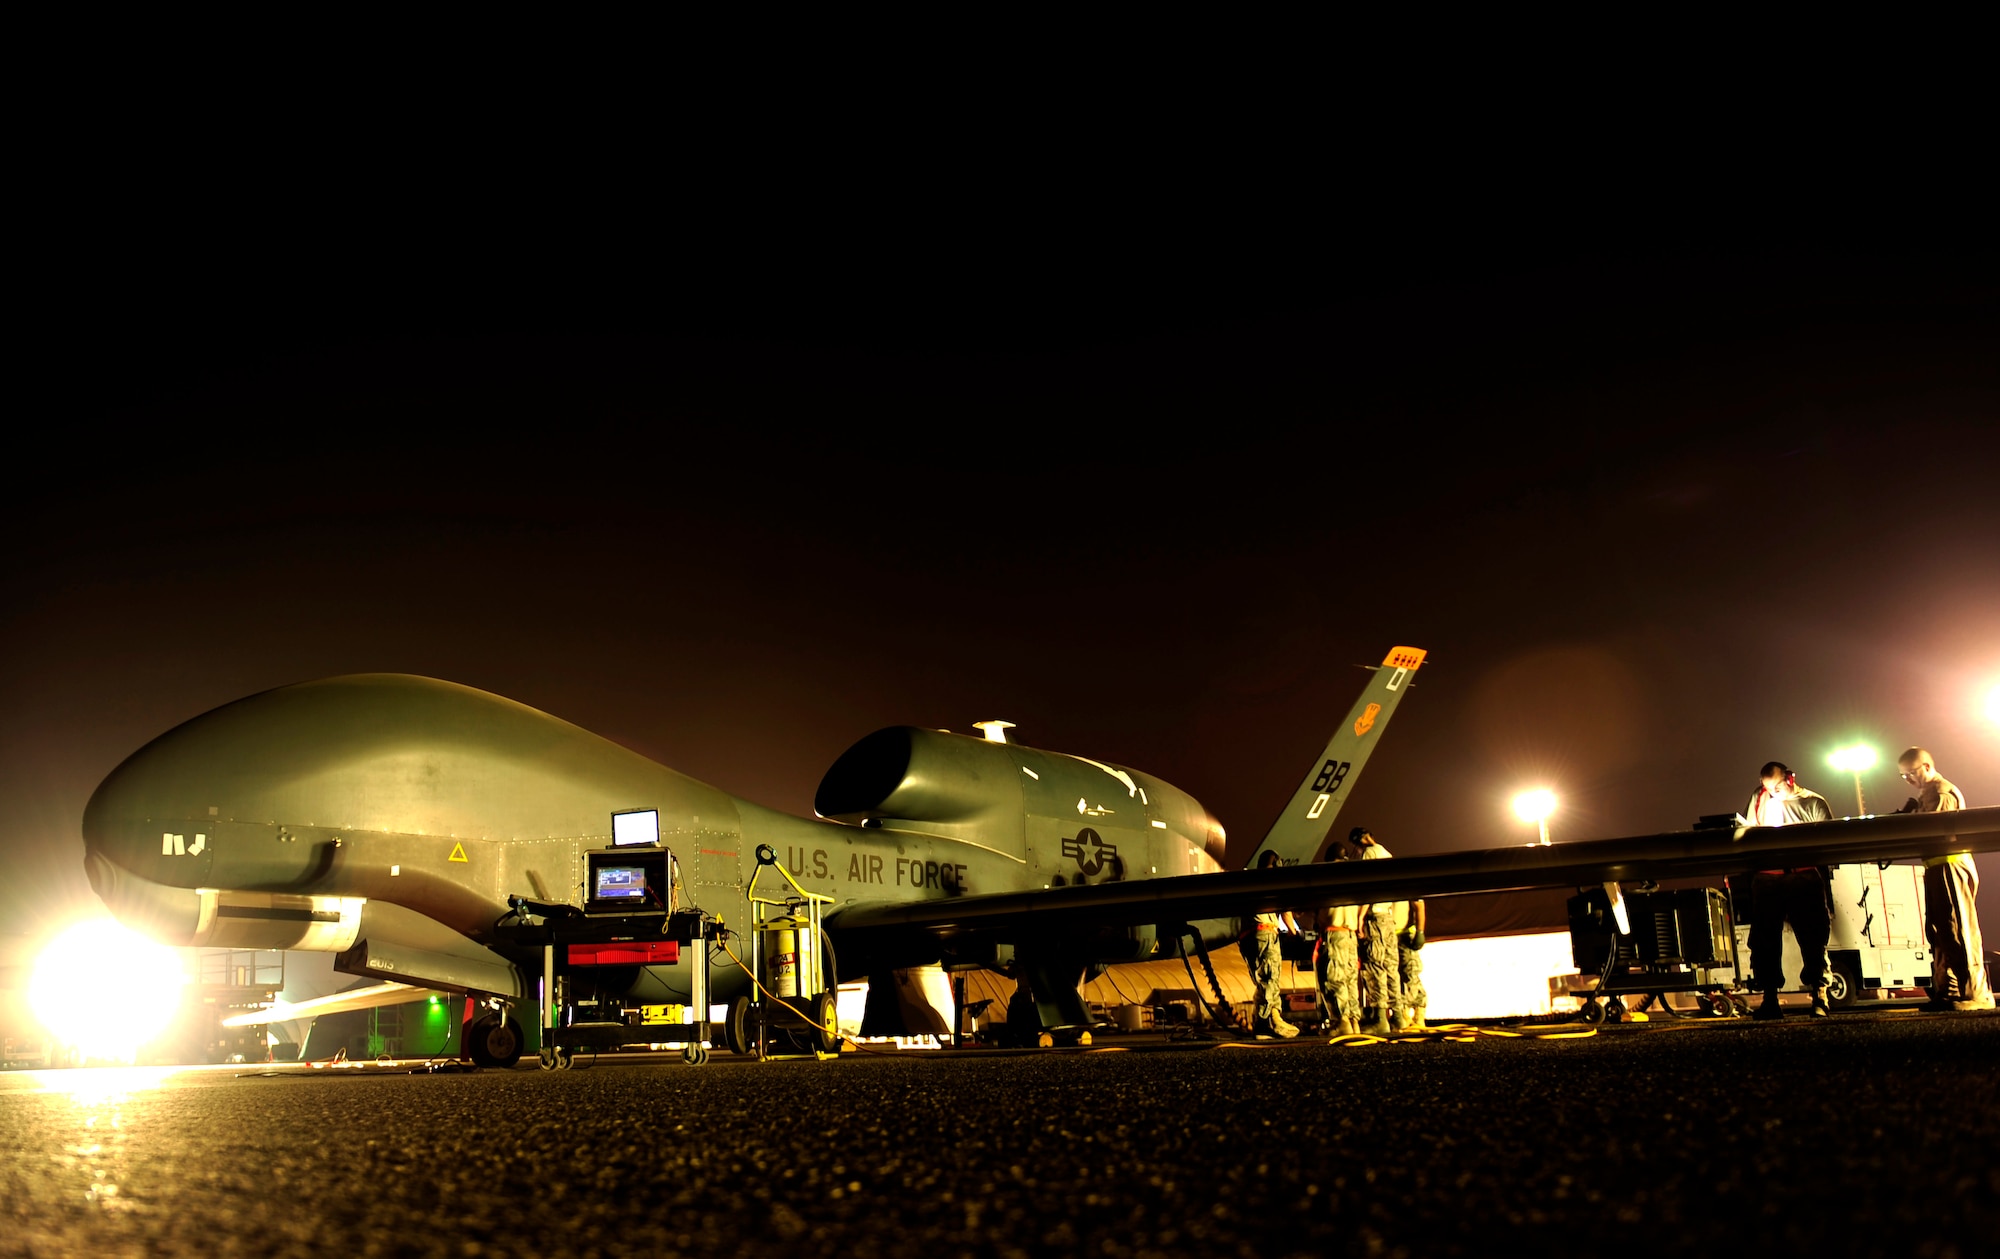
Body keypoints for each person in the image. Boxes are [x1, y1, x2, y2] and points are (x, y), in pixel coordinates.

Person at [1897, 747, 1993, 1011]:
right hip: (1937, 867)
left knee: (1959, 929)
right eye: (1904, 777)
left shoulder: (1941, 792)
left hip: (1950, 866)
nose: (1909, 780)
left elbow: (1934, 832)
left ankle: (1976, 993)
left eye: (1911, 774)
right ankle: (1949, 990)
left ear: (1927, 767)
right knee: (1941, 933)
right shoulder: (1927, 794)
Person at [1741, 762, 1836, 1019]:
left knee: (1813, 939)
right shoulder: (1759, 798)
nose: (1773, 792)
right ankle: (1770, 998)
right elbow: (1749, 832)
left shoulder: (1814, 803)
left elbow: (1831, 842)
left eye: (1777, 786)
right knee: (1764, 941)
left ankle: (1819, 996)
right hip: (1768, 878)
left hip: (1802, 877)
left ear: (1791, 779)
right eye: (1768, 788)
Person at [1350, 827, 1403, 1034]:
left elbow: (1367, 888)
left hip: (1375, 917)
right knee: (1391, 967)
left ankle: (1381, 1019)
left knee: (1375, 966)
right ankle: (1398, 1016)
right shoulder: (1387, 853)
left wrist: (1360, 917)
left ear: (1359, 841)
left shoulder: (1370, 854)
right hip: (1388, 917)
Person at [1243, 850, 1301, 1038]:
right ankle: (1265, 1023)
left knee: (1263, 982)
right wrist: (1294, 933)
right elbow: (1286, 912)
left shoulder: (1249, 882)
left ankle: (1270, 1019)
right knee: (1269, 980)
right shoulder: (1272, 881)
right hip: (1266, 934)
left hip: (1251, 936)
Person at [1311, 843, 1362, 1037]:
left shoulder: (1326, 875)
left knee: (1333, 980)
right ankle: (1354, 1022)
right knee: (1350, 981)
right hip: (1350, 935)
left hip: (1334, 934)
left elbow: (1313, 904)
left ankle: (1341, 1022)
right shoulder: (1353, 876)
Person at [1396, 897, 1427, 1031]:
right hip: (1390, 935)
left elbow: (1419, 906)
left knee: (1411, 974)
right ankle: (1405, 1015)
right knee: (1397, 978)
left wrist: (1420, 932)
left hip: (1406, 936)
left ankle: (1417, 1014)